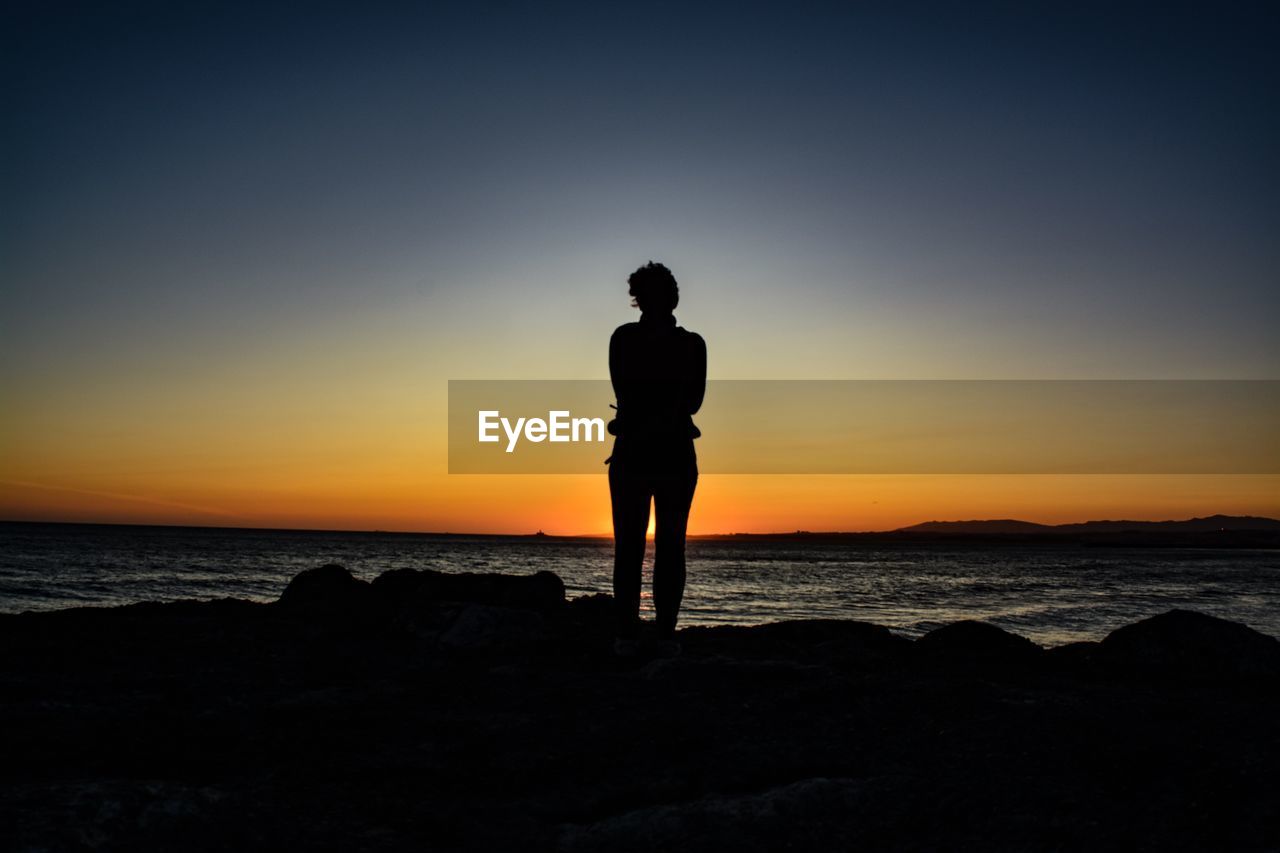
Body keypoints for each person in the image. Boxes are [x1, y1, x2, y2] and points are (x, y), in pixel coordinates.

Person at [607, 261, 705, 657]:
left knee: (633, 546)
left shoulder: (624, 339)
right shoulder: (691, 344)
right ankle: (660, 635)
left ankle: (632, 635)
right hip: (669, 451)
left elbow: (628, 392)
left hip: (639, 450)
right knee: (667, 545)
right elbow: (693, 402)